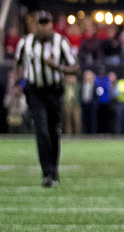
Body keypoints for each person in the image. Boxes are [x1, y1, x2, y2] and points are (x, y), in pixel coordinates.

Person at [13, 11, 79, 187]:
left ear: (51, 24)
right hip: (34, 91)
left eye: (47, 23)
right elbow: (18, 63)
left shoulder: (60, 42)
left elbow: (74, 68)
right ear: (35, 25)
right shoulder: (25, 42)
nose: (44, 26)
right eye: (41, 23)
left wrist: (56, 66)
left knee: (53, 131)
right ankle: (47, 173)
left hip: (54, 90)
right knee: (41, 130)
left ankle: (54, 170)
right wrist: (17, 84)